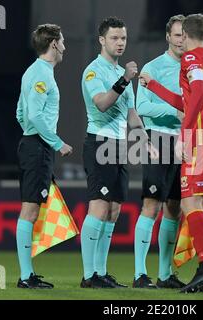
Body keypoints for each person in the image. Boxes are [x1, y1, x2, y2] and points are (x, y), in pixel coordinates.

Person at [140, 13, 203, 293]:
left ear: (186, 34)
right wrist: (154, 86)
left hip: (201, 140)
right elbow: (191, 100)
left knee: (189, 204)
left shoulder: (191, 59)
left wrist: (185, 134)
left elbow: (199, 96)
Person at [80, 16, 158, 289]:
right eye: (114, 38)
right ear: (102, 40)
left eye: (123, 38)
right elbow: (101, 103)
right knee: (99, 207)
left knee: (113, 210)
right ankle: (89, 276)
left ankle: (101, 272)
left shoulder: (121, 72)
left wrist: (145, 140)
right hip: (99, 142)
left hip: (120, 146)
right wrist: (125, 79)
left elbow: (132, 113)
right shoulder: (94, 71)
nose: (120, 42)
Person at [15, 24, 73, 289]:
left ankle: (28, 273)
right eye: (62, 41)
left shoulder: (33, 72)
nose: (64, 46)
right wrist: (56, 142)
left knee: (33, 208)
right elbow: (35, 116)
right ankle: (25, 277)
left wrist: (31, 135)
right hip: (37, 147)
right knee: (29, 210)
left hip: (33, 144)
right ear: (53, 44)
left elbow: (20, 112)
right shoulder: (41, 74)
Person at [133, 14, 186, 289]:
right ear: (168, 36)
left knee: (175, 209)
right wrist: (174, 111)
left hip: (185, 143)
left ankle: (165, 274)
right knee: (151, 205)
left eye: (184, 35)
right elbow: (142, 107)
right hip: (158, 140)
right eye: (177, 35)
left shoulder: (193, 67)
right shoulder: (151, 68)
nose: (181, 40)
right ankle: (140, 274)